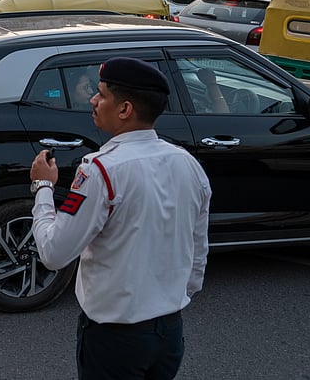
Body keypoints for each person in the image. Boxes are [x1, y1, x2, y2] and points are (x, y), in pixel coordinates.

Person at [30, 57, 211, 380]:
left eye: (101, 95)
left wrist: (43, 186)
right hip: (170, 331)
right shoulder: (188, 165)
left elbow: (54, 253)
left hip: (116, 337)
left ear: (125, 109)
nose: (93, 101)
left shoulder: (100, 170)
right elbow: (198, 252)